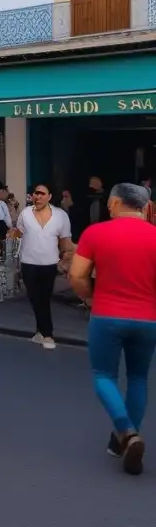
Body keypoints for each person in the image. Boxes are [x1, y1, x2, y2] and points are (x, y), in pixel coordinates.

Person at [68, 183, 156, 476]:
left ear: (117, 203)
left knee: (103, 375)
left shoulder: (96, 232)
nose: (107, 206)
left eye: (109, 202)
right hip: (148, 319)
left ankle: (127, 433)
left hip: (107, 315)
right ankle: (123, 442)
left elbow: (77, 275)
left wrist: (90, 297)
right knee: (139, 379)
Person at [11, 183, 73, 350]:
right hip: (28, 262)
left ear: (49, 196)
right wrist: (12, 232)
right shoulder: (25, 213)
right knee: (34, 298)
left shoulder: (60, 216)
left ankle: (47, 334)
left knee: (43, 298)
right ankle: (42, 332)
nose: (37, 197)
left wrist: (65, 260)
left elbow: (65, 241)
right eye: (34, 194)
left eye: (41, 194)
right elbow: (20, 232)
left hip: (49, 263)